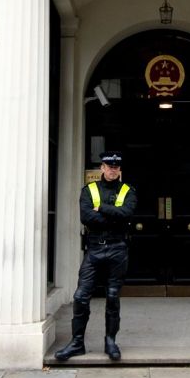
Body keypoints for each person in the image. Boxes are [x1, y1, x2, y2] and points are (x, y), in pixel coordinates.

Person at [54, 151, 138, 362]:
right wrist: (113, 216)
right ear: (102, 168)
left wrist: (101, 208)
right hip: (94, 249)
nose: (112, 170)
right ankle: (77, 343)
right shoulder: (89, 190)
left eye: (116, 167)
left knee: (113, 297)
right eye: (109, 166)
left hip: (118, 248)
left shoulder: (128, 190)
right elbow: (86, 217)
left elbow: (127, 215)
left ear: (119, 169)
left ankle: (110, 342)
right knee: (81, 296)